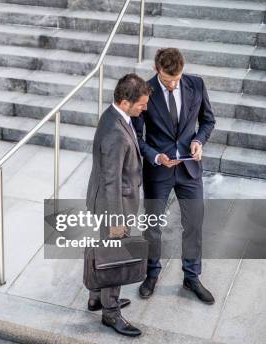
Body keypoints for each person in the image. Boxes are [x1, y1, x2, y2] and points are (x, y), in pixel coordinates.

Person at [132, 48, 216, 304]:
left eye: (177, 78)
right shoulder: (144, 91)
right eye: (168, 80)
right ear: (158, 70)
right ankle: (152, 273)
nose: (174, 83)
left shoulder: (196, 84)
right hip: (159, 170)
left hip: (189, 169)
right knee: (153, 226)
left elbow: (208, 121)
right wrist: (156, 157)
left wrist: (199, 141)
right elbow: (136, 135)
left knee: (193, 223)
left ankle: (192, 276)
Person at [85, 73, 150, 337]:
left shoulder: (114, 115)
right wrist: (117, 221)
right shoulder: (115, 133)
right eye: (141, 104)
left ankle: (96, 298)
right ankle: (110, 314)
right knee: (114, 256)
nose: (144, 108)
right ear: (125, 102)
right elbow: (112, 180)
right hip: (114, 205)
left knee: (104, 250)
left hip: (108, 199)